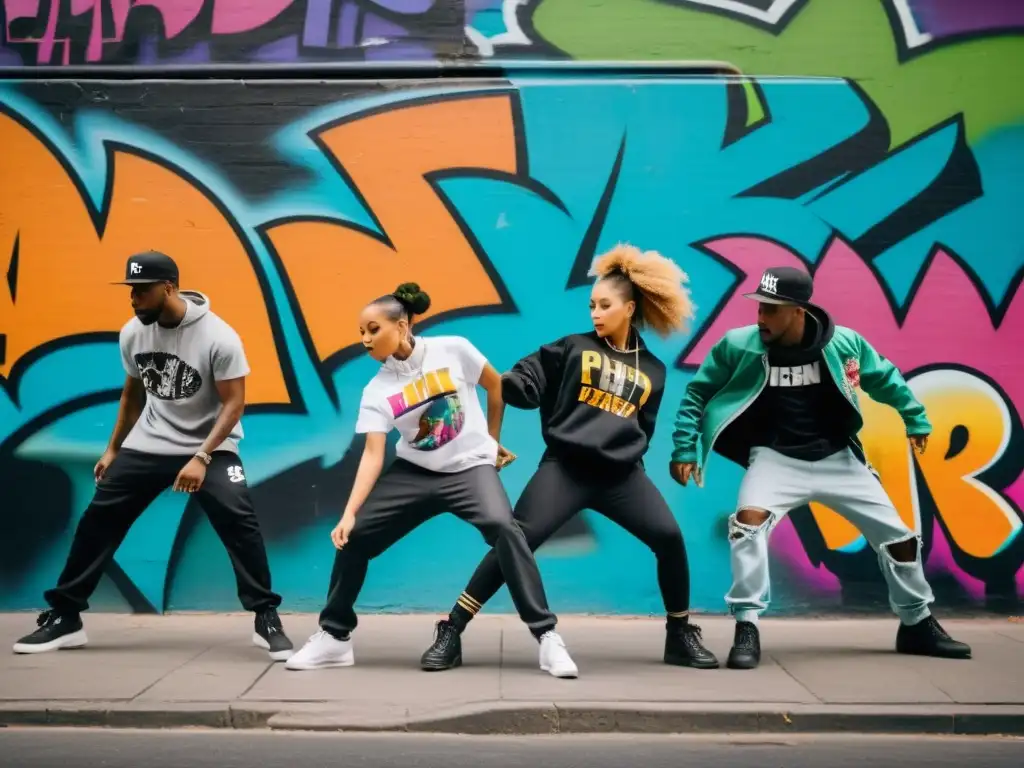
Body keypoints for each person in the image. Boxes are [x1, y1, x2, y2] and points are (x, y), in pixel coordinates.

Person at [419, 245, 720, 673]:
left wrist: (628, 463)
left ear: (630, 308)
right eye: (591, 305)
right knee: (516, 539)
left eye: (605, 305)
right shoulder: (572, 348)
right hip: (566, 469)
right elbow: (525, 378)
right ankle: (451, 628)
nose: (595, 313)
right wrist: (513, 386)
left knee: (669, 539)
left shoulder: (654, 370)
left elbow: (643, 429)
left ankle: (679, 634)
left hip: (621, 477)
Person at [669, 265, 972, 669]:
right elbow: (697, 393)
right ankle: (747, 626)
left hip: (838, 459)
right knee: (747, 525)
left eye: (772, 310)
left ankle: (916, 623)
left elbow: (883, 378)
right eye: (759, 307)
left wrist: (914, 417)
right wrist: (685, 448)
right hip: (775, 458)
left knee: (899, 539)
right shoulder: (740, 346)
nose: (761, 318)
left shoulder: (842, 344)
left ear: (799, 310)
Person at [284, 282, 577, 677]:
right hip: (415, 473)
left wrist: (491, 442)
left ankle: (547, 638)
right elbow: (373, 453)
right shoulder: (377, 389)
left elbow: (495, 386)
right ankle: (334, 637)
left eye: (373, 329)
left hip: (470, 468)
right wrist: (349, 513)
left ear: (402, 326)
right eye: (361, 333)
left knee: (505, 529)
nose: (366, 340)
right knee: (354, 539)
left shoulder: (453, 348)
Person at [13, 251, 293, 661]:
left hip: (211, 447)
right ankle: (66, 616)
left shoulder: (220, 337)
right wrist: (113, 449)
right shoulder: (133, 332)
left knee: (239, 521)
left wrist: (201, 456)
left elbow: (234, 405)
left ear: (169, 287)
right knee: (98, 521)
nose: (134, 299)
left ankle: (266, 616)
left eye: (141, 291)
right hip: (148, 443)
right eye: (131, 291)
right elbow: (133, 394)